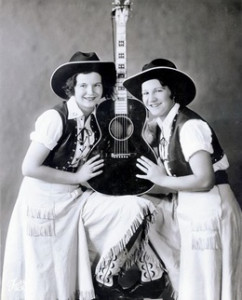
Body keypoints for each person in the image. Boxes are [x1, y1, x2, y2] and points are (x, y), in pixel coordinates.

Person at [1, 51, 166, 300]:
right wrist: (78, 178)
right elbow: (29, 168)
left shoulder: (95, 119)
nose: (91, 92)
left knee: (132, 208)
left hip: (73, 200)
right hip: (43, 204)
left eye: (97, 85)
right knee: (47, 272)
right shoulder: (55, 118)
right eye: (84, 85)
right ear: (72, 88)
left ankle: (124, 276)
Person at [123, 58, 242, 300]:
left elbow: (204, 179)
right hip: (194, 209)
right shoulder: (166, 126)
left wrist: (160, 179)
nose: (151, 98)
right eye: (146, 93)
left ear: (172, 92)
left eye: (158, 90)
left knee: (210, 286)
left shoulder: (189, 126)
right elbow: (173, 178)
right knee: (199, 286)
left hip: (211, 210)